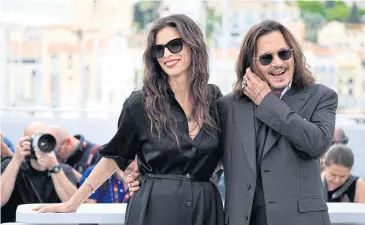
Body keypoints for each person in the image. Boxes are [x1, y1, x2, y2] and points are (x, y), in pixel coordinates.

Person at [33, 14, 224, 225]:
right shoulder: (140, 103)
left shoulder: (214, 99)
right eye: (158, 49)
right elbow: (115, 156)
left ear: (194, 44)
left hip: (206, 210)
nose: (167, 54)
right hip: (155, 210)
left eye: (175, 45)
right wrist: (73, 203)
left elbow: (225, 156)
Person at [217, 20, 338, 225]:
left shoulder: (322, 96)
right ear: (251, 65)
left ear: (294, 55)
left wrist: (267, 102)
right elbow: (203, 157)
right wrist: (145, 173)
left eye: (284, 53)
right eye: (266, 58)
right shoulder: (228, 106)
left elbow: (316, 144)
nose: (278, 63)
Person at [1, 122, 78, 223]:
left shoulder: (63, 170)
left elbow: (74, 205)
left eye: (43, 138)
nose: (40, 143)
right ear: (25, 140)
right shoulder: (10, 165)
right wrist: (16, 160)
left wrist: (54, 168)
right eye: (34, 138)